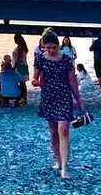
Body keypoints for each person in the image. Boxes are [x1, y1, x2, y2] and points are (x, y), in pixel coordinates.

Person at [33, 28, 84, 179]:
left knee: (64, 131)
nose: (51, 50)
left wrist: (79, 99)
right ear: (43, 46)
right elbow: (34, 78)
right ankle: (59, 160)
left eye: (54, 47)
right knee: (54, 132)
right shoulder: (40, 59)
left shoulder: (66, 59)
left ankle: (64, 168)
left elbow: (72, 81)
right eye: (48, 48)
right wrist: (36, 82)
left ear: (58, 45)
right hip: (48, 97)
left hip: (63, 96)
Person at [12, 34, 30, 103]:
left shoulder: (20, 47)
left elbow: (19, 58)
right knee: (22, 83)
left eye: (15, 39)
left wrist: (14, 67)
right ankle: (24, 98)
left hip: (20, 66)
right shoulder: (23, 47)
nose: (14, 40)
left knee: (21, 83)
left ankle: (22, 98)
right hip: (23, 66)